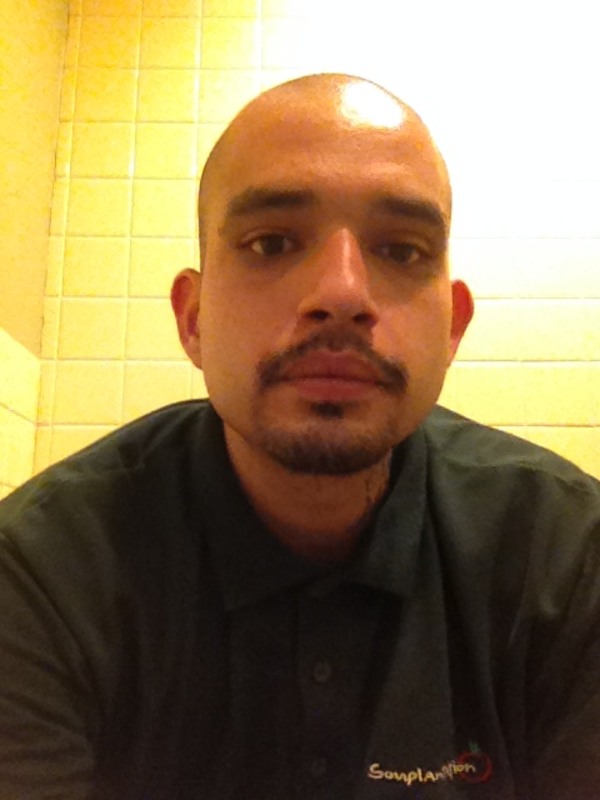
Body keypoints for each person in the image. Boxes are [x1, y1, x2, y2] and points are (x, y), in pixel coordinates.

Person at [0, 73, 598, 800]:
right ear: (194, 319)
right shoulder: (37, 577)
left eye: (402, 251)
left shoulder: (571, 558)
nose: (342, 294)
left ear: (452, 327)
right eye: (272, 242)